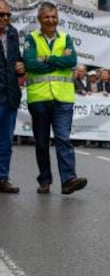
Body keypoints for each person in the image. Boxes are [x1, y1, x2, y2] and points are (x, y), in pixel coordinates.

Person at [23, 1, 87, 194]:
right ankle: (44, 180)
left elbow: (71, 61)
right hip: (39, 98)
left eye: (53, 17)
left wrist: (46, 59)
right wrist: (58, 61)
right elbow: (31, 64)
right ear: (39, 19)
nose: (51, 20)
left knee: (63, 139)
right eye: (47, 17)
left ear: (58, 18)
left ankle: (68, 179)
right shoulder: (31, 38)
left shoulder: (66, 38)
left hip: (63, 99)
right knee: (42, 143)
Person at [0, 0, 25, 193]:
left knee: (6, 142)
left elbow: (17, 59)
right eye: (2, 15)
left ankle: (2, 178)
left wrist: (21, 66)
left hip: (9, 97)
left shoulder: (12, 33)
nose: (6, 18)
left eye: (8, 15)